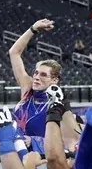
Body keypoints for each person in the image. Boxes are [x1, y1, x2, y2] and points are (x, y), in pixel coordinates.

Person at [8, 19, 62, 153]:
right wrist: (33, 28)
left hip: (41, 161)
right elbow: (14, 52)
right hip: (15, 154)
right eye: (36, 73)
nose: (36, 77)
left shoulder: (58, 105)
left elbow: (64, 143)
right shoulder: (27, 90)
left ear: (54, 80)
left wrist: (33, 141)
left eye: (43, 75)